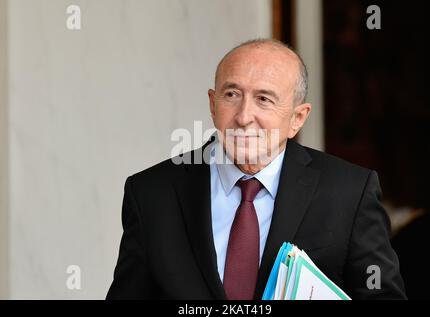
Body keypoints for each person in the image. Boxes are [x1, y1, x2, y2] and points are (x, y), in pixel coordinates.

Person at [106, 39, 406, 300]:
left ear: (297, 118)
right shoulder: (151, 194)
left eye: (264, 99)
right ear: (213, 104)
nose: (244, 116)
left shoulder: (349, 193)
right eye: (232, 95)